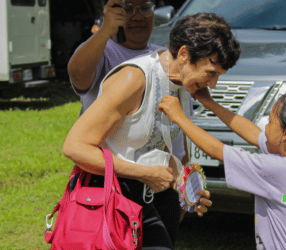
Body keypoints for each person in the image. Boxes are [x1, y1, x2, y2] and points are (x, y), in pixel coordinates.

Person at [63, 12, 241, 249]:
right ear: (185, 55)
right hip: (110, 198)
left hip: (152, 197)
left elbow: (158, 146)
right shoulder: (134, 79)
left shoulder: (181, 82)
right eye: (211, 73)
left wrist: (186, 185)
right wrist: (142, 173)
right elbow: (74, 147)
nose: (213, 85)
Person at [158, 90, 286, 250]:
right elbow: (253, 133)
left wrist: (179, 117)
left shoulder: (277, 169)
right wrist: (209, 102)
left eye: (270, 121)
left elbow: (217, 150)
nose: (265, 126)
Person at [67, 0, 189, 245]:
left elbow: (175, 130)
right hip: (114, 185)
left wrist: (183, 184)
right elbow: (78, 77)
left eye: (144, 8)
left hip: (161, 186)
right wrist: (105, 31)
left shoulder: (164, 58)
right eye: (127, 9)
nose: (137, 16)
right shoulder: (105, 50)